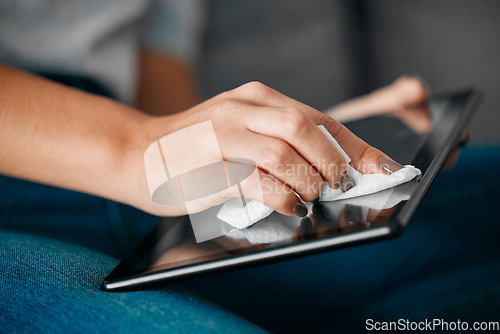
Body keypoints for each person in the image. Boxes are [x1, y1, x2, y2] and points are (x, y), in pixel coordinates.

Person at [1, 1, 499, 333]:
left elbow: (165, 100)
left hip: (143, 184)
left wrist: (300, 141)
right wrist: (133, 149)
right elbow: (142, 143)